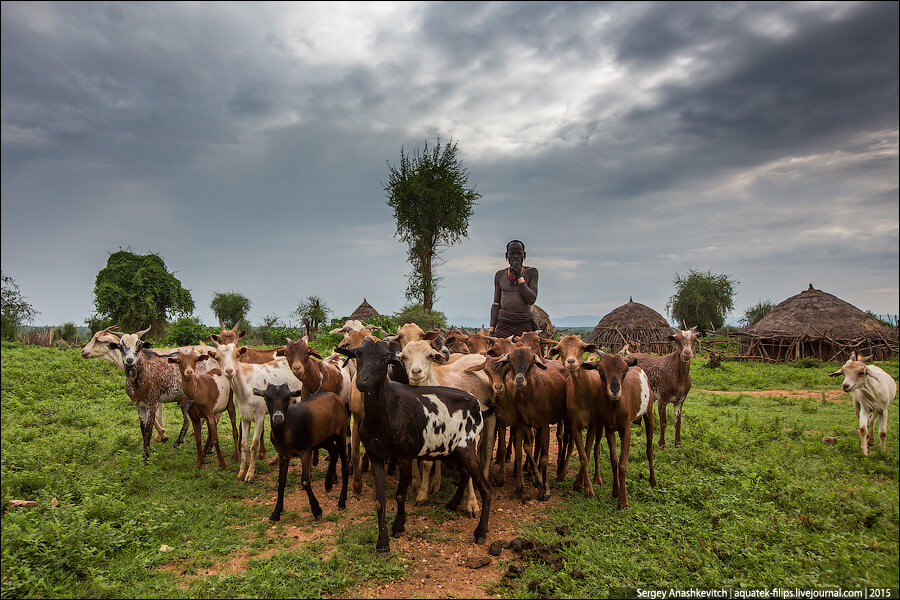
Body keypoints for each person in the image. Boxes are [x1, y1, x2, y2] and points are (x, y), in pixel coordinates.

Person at [489, 240, 539, 338]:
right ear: (506, 256)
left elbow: (531, 299)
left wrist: (519, 276)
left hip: (524, 322)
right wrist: (491, 329)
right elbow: (496, 304)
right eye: (512, 253)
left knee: (528, 352)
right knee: (499, 352)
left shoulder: (531, 272)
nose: (516, 256)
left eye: (519, 253)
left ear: (524, 255)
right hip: (504, 323)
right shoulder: (500, 275)